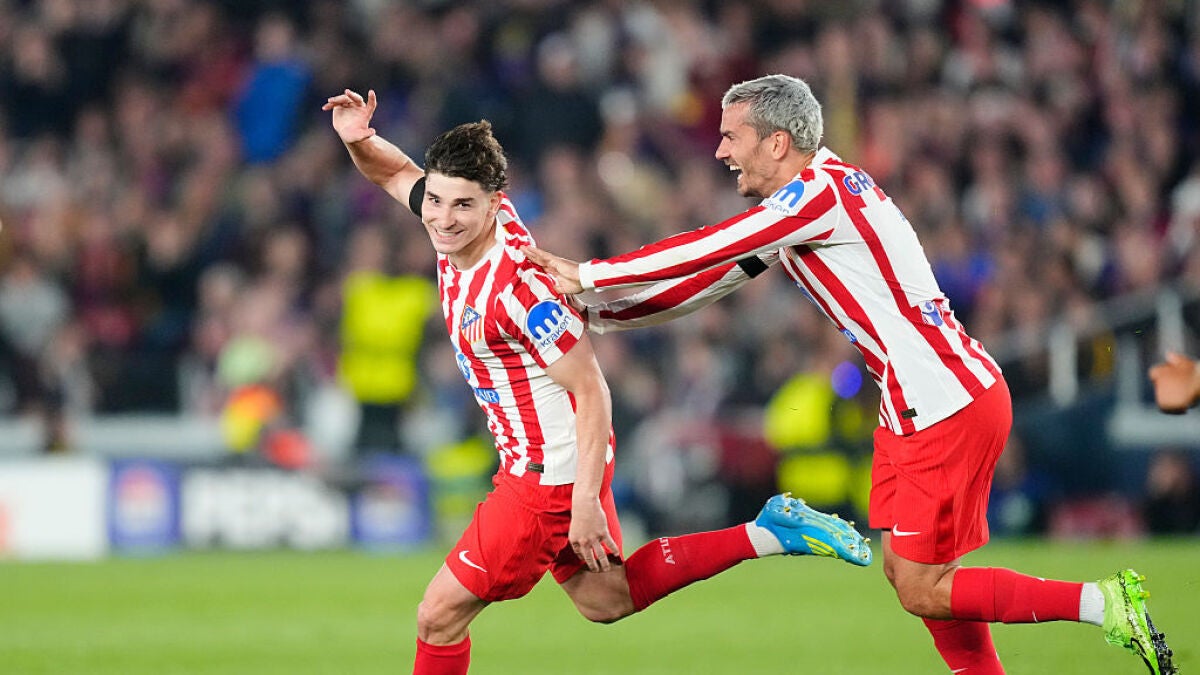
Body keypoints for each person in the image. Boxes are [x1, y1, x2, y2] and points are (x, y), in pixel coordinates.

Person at [523, 74, 1176, 675]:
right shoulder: (808, 200)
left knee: (924, 584)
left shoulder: (818, 195)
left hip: (941, 400)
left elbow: (712, 245)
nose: (721, 151)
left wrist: (588, 274)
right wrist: (598, 313)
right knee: (910, 575)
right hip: (921, 398)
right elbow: (708, 282)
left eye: (732, 136)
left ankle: (1102, 602)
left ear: (777, 142)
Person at [323, 88, 871, 675]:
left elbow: (591, 389)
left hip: (546, 480)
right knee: (606, 599)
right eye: (434, 202)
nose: (441, 218)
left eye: (461, 206)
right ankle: (768, 533)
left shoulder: (518, 288)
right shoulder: (452, 225)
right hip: (556, 464)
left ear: (494, 205)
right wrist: (358, 137)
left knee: (438, 618)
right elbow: (395, 171)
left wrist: (581, 501)